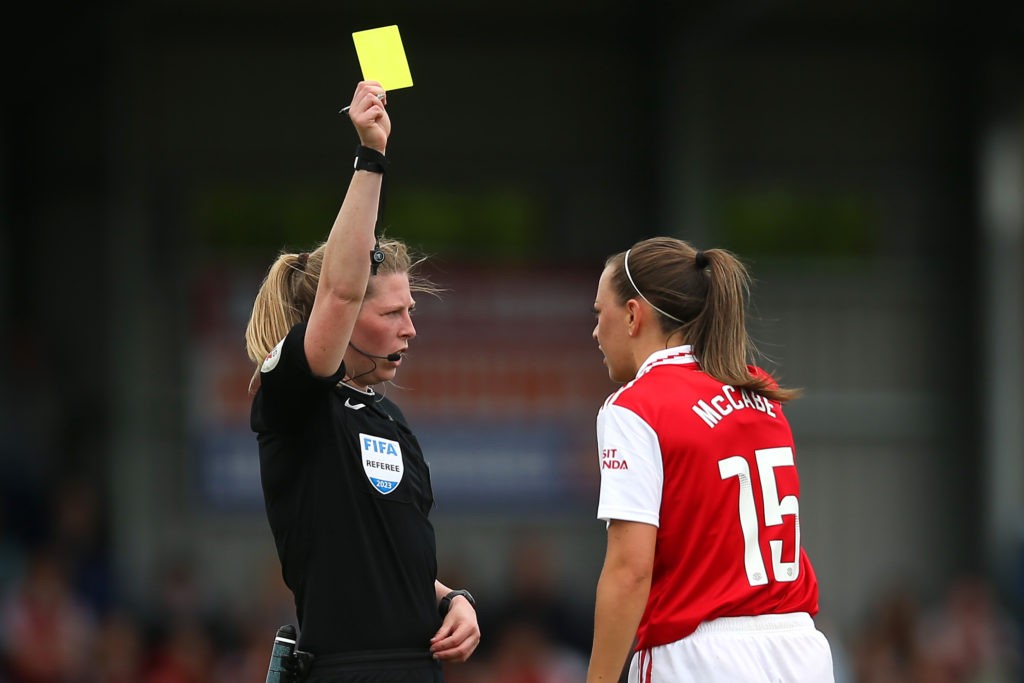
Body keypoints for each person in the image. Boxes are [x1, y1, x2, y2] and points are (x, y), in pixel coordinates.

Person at [243, 80, 480, 683]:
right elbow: (341, 289)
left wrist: (452, 599)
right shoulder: (294, 398)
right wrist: (371, 155)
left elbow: (386, 560)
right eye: (392, 314)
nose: (410, 330)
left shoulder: (388, 418)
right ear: (345, 319)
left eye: (412, 313)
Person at [586, 237, 834, 683]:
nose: (594, 332)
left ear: (631, 315)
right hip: (801, 649)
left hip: (698, 656)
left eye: (599, 314)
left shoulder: (635, 407)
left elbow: (629, 571)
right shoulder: (759, 387)